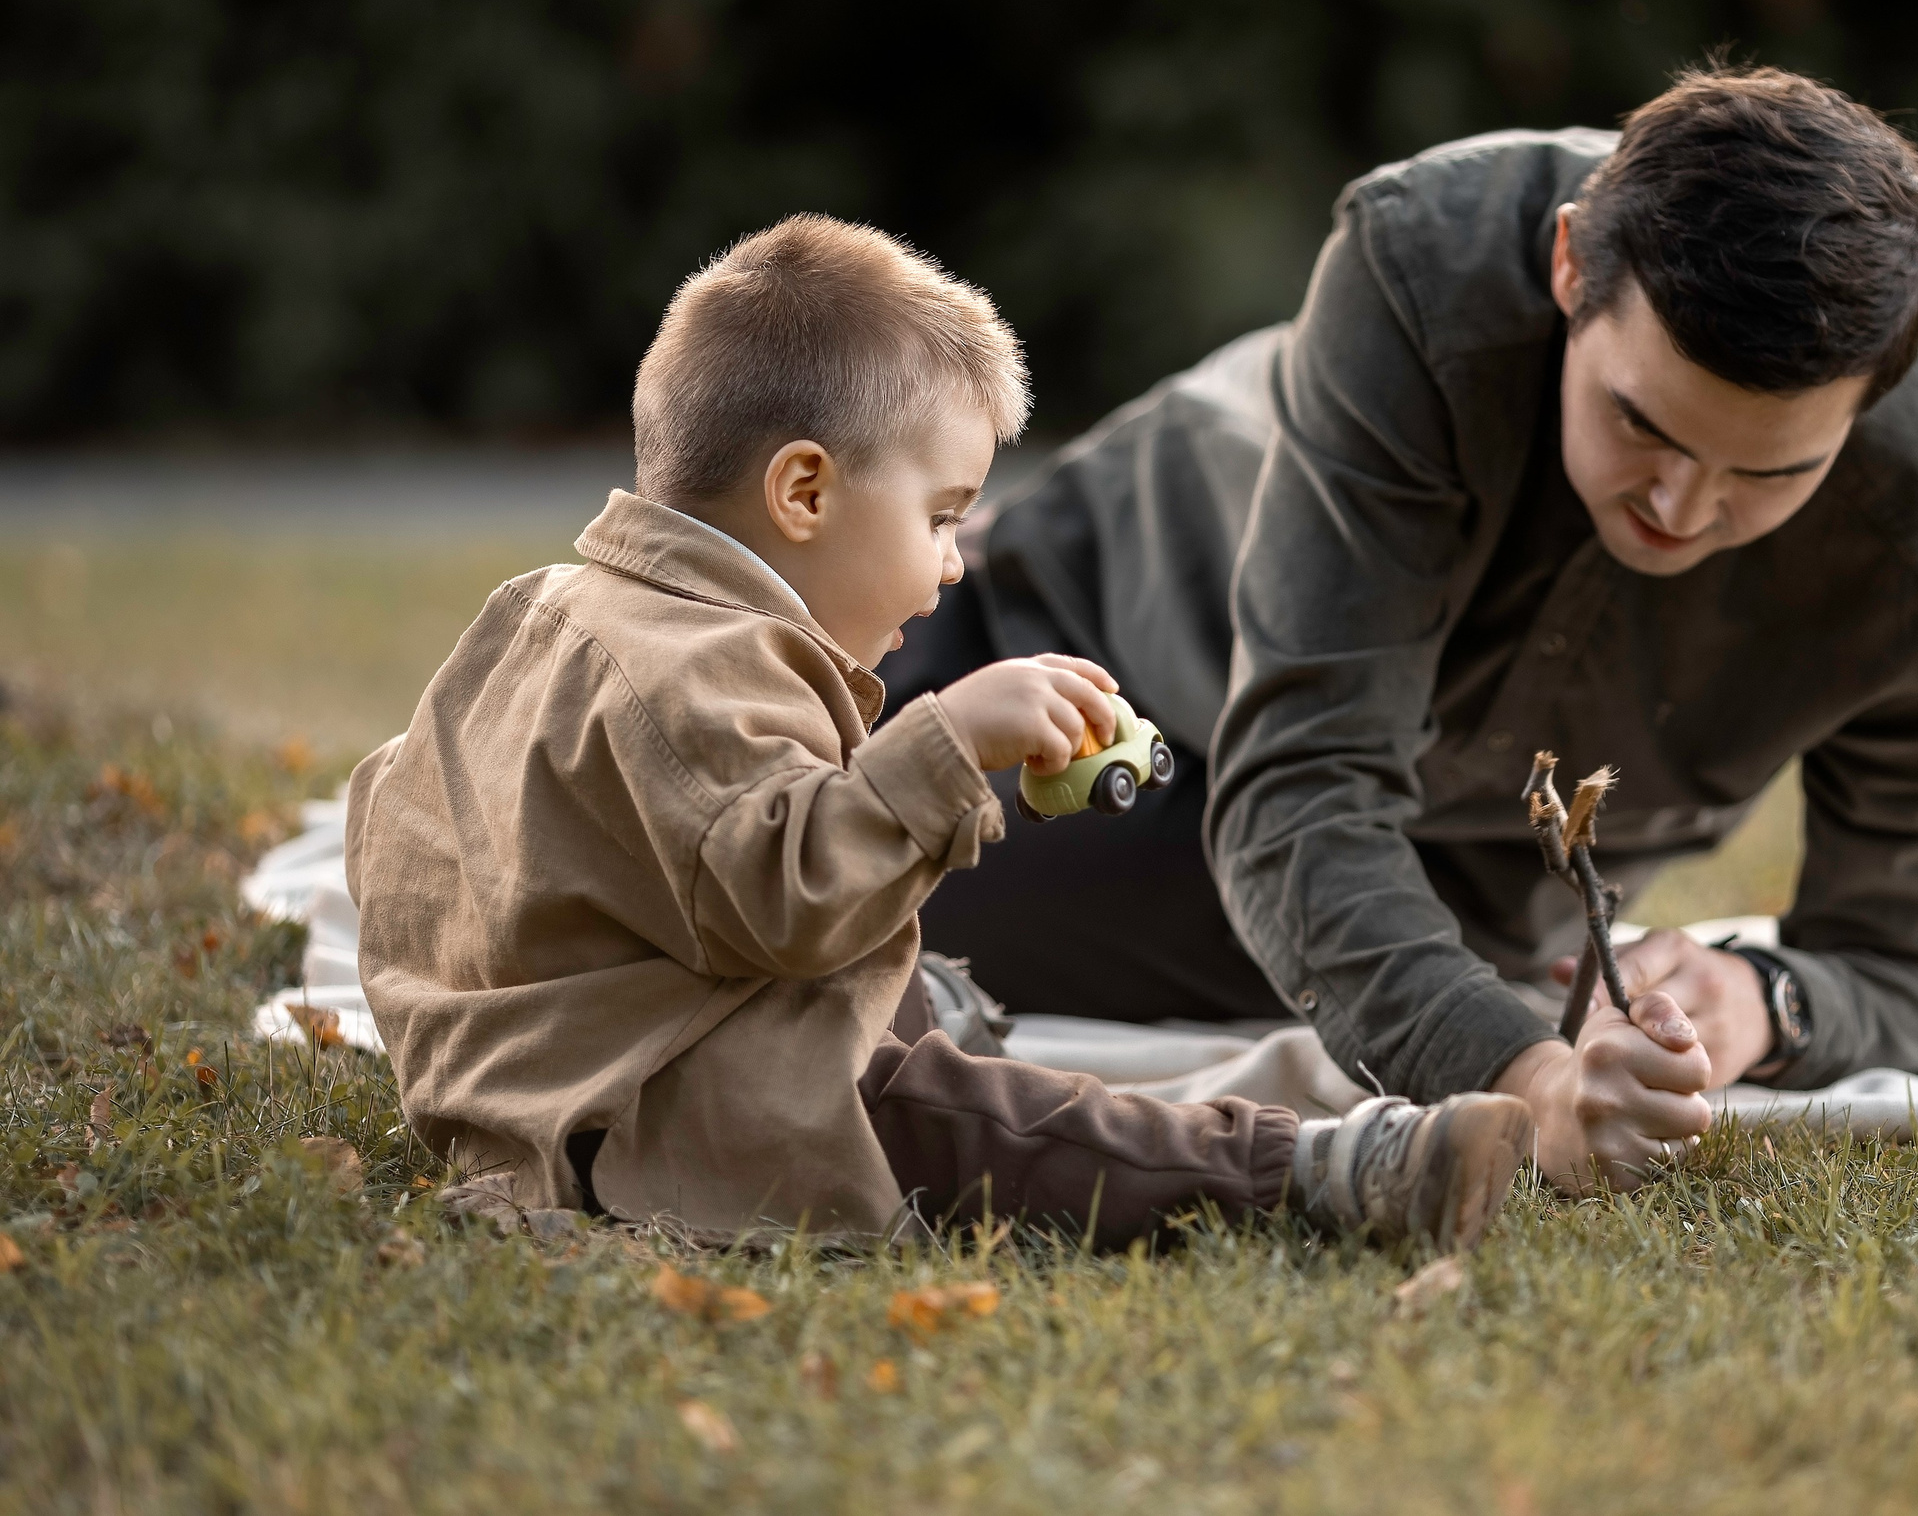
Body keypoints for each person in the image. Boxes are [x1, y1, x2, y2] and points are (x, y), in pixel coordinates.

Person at [881, 66, 1918, 1189]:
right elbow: (1306, 785)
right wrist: (1525, 1077)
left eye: (1767, 471)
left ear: (1872, 400)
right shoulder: (1419, 260)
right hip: (1069, 642)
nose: (1680, 508)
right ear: (1567, 260)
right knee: (764, 856)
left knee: (887, 938)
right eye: (1641, 422)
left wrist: (1765, 1000)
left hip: (1427, 882)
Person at [341, 214, 1539, 1249]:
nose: (954, 563)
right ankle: (1323, 1171)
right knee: (981, 1125)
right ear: (803, 493)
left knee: (907, 996)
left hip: (558, 1057)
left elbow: (390, 808)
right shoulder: (697, 670)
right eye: (941, 516)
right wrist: (949, 740)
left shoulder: (553, 606)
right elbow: (787, 898)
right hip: (643, 1106)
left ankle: (939, 1021)